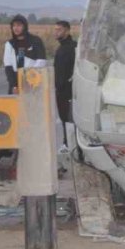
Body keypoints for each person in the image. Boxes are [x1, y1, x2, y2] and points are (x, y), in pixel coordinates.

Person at [3, 14, 46, 93]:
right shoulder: (9, 44)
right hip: (16, 84)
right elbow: (8, 66)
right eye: (14, 26)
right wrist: (14, 85)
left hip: (33, 82)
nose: (16, 28)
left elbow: (41, 61)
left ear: (25, 26)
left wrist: (29, 78)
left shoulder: (35, 41)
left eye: (19, 25)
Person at [53, 20, 77, 152]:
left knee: (69, 119)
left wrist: (68, 84)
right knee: (64, 119)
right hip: (60, 91)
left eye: (59, 30)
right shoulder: (61, 48)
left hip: (68, 91)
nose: (56, 32)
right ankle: (67, 143)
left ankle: (69, 145)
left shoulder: (72, 47)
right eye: (55, 29)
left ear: (67, 31)